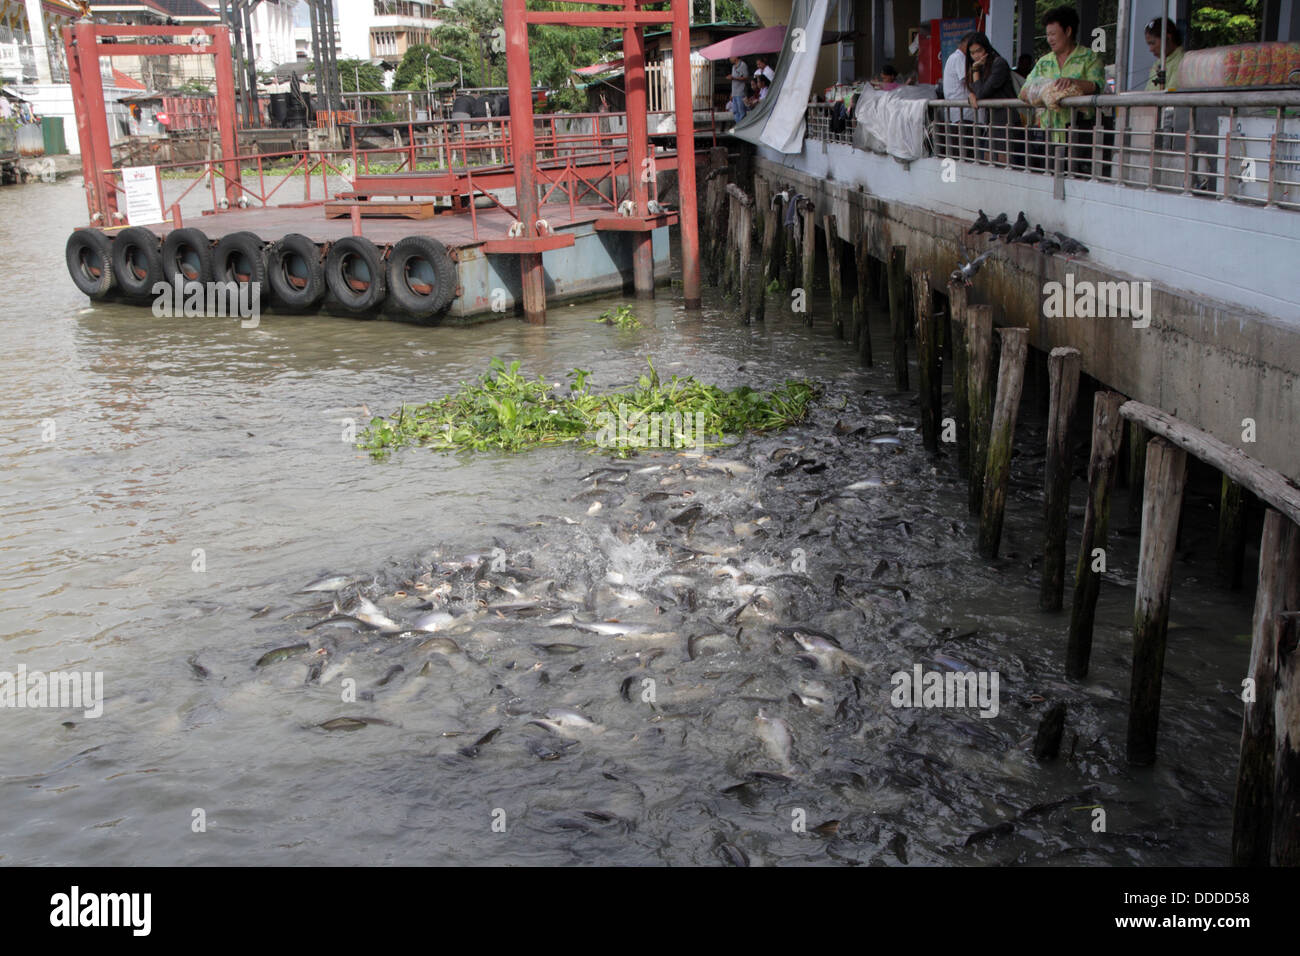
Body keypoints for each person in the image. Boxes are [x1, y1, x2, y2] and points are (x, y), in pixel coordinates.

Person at [1020, 6, 1104, 147]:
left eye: (1053, 34)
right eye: (1047, 35)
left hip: (1079, 133)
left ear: (1068, 31)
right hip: (1048, 134)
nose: (1049, 39)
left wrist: (1073, 83)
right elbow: (1023, 92)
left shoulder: (1089, 58)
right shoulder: (1044, 62)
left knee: (1078, 168)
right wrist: (1042, 92)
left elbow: (1097, 86)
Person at [965, 32, 1019, 164]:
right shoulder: (983, 67)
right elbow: (977, 93)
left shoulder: (998, 64)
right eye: (972, 53)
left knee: (1002, 163)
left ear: (986, 48)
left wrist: (975, 70)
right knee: (988, 162)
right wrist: (971, 95)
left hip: (1006, 120)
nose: (976, 56)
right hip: (992, 121)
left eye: (979, 51)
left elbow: (982, 93)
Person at [943, 33, 976, 156]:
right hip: (963, 113)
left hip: (959, 113)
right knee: (966, 152)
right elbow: (968, 80)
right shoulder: (959, 58)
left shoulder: (954, 57)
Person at [1144, 17, 1183, 90]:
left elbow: (1172, 92)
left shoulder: (1182, 62)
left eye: (1153, 43)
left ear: (1167, 38)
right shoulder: (1158, 63)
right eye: (1148, 44)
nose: (1151, 49)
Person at [728, 56, 750, 122]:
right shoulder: (733, 67)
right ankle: (738, 126)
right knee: (735, 111)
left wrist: (734, 78)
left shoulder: (743, 65)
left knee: (742, 112)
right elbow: (733, 81)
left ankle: (742, 128)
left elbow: (746, 77)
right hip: (734, 93)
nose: (730, 59)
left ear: (736, 56)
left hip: (741, 92)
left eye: (731, 57)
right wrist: (732, 93)